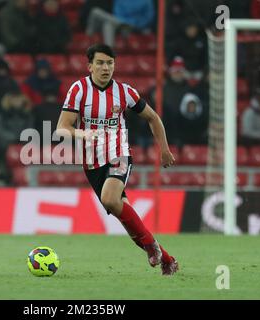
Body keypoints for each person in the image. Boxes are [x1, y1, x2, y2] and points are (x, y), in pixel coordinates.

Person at [56, 44, 178, 275]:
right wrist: (83, 133)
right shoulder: (79, 90)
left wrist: (164, 149)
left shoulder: (126, 92)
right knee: (126, 216)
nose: (105, 68)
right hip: (92, 163)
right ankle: (167, 259)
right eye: (100, 63)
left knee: (111, 199)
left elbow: (153, 118)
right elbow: (62, 128)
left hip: (119, 153)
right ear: (89, 65)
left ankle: (152, 247)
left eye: (110, 63)